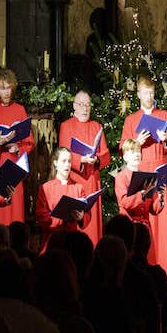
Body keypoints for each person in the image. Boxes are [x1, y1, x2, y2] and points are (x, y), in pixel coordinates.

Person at [119, 75, 167, 284]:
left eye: (152, 92)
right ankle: (143, 270)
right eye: (145, 92)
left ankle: (165, 275)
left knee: (162, 225)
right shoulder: (131, 119)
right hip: (141, 171)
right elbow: (122, 148)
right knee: (144, 224)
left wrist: (165, 140)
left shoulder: (163, 115)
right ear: (138, 94)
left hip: (160, 170)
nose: (149, 96)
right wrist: (136, 141)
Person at [57, 90, 110, 246]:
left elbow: (106, 154)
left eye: (88, 105)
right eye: (81, 104)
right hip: (75, 181)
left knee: (93, 229)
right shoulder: (66, 126)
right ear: (74, 106)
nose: (85, 108)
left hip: (92, 181)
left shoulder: (96, 126)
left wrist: (97, 159)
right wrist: (81, 159)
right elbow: (64, 152)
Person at [0, 68, 34, 225]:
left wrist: (18, 148)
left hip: (14, 165)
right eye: (2, 88)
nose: (6, 92)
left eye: (8, 88)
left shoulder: (20, 110)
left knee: (15, 209)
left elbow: (29, 142)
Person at [35, 147, 91, 254]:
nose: (67, 165)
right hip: (52, 240)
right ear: (55, 163)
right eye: (64, 161)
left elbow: (87, 213)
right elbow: (40, 215)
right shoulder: (46, 188)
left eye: (69, 161)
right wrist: (59, 220)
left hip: (72, 242)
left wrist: (81, 217)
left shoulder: (78, 188)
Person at [114, 139, 166, 227]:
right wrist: (142, 193)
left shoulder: (147, 176)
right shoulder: (121, 177)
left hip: (144, 227)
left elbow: (153, 209)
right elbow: (124, 203)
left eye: (138, 151)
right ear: (125, 157)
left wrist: (160, 197)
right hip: (128, 226)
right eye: (133, 152)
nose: (137, 154)